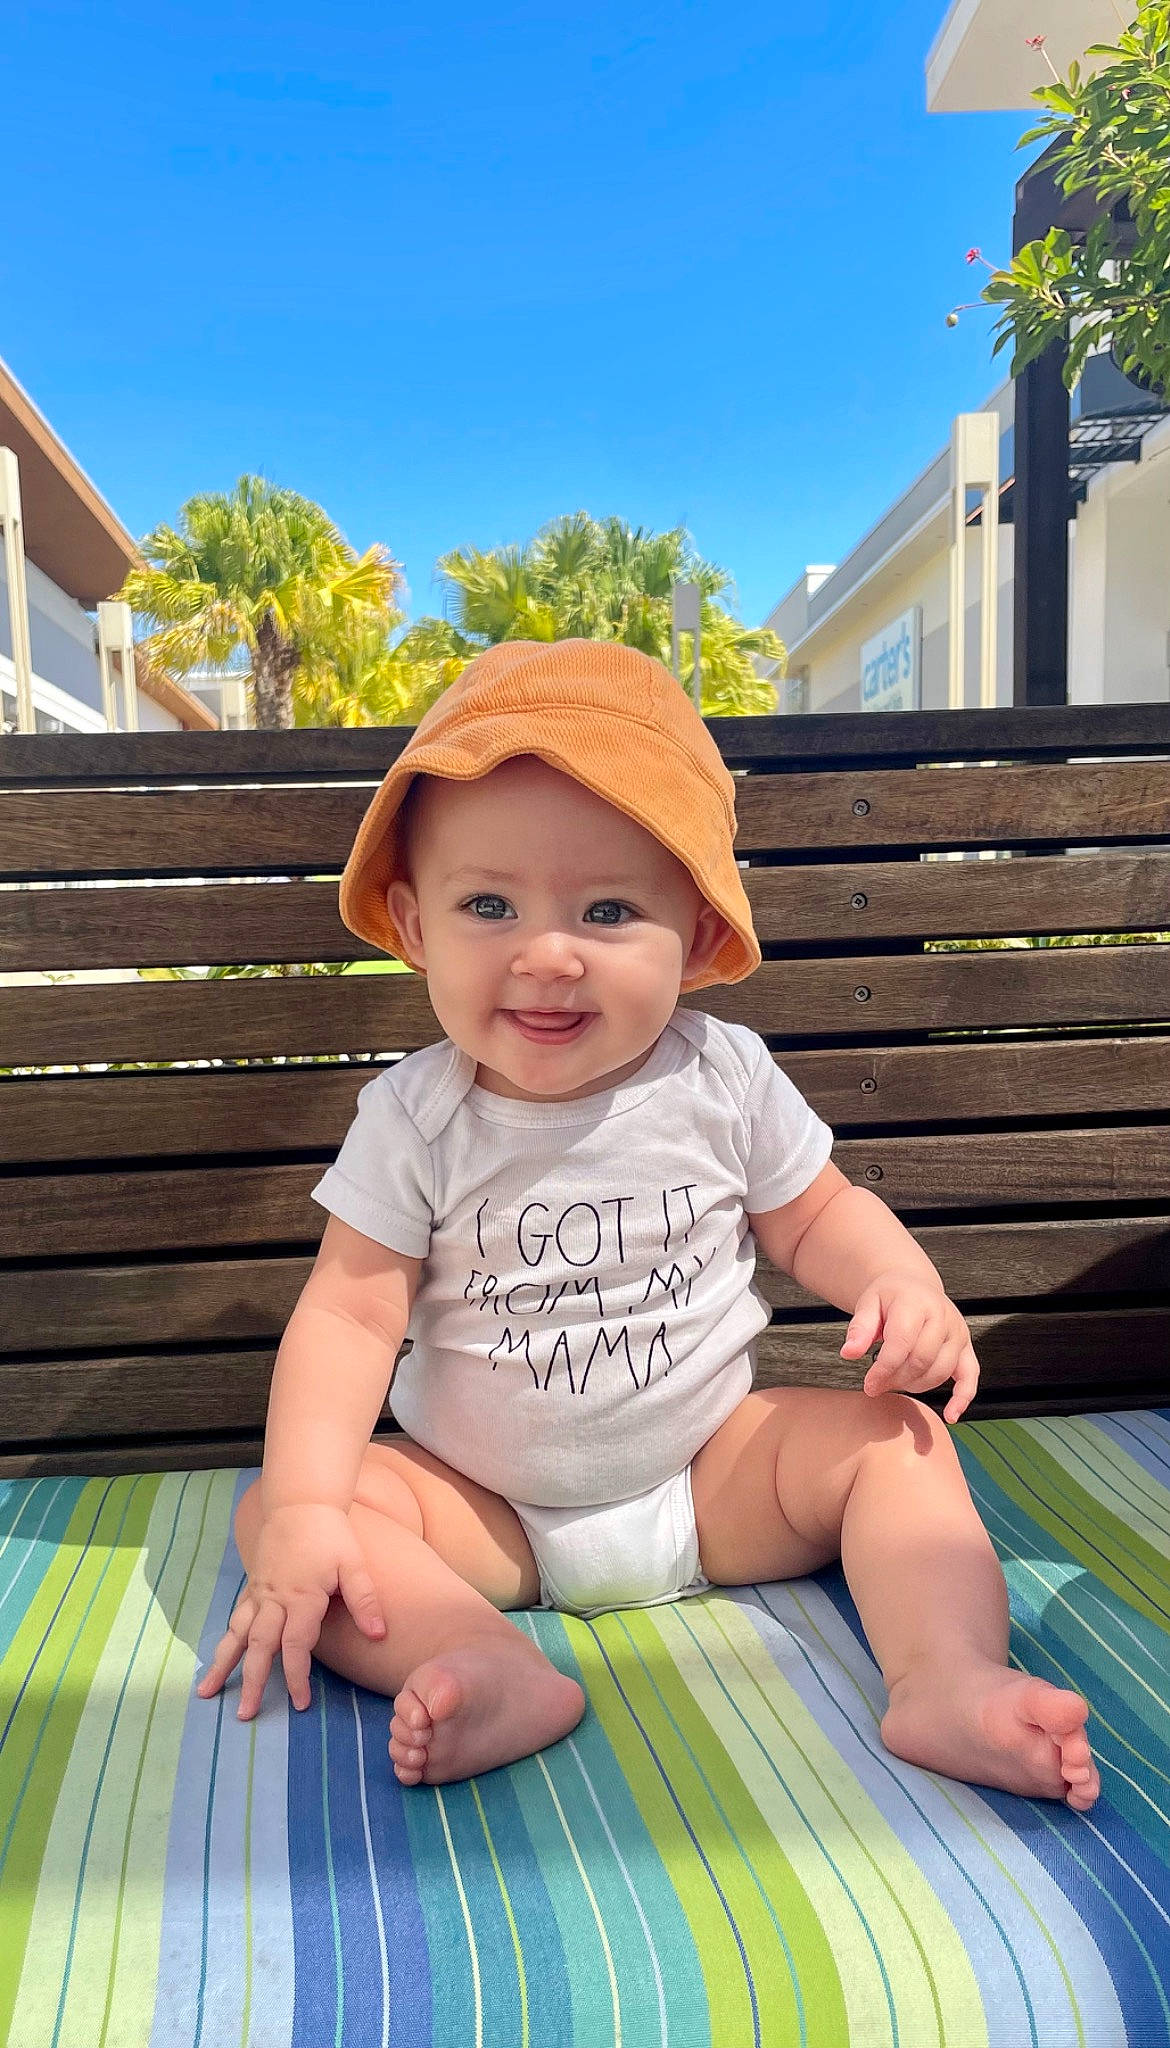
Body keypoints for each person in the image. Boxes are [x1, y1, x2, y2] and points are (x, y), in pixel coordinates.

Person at [196, 638, 1099, 1810]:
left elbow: (820, 1208)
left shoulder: (721, 1077)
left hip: (717, 1477)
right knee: (288, 1509)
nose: (548, 952)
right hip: (487, 1511)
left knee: (905, 1447)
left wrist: (902, 1284)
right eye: (488, 904)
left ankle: (947, 1675)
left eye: (610, 907)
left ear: (703, 934)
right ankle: (476, 1658)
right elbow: (348, 1313)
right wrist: (314, 1506)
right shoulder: (416, 1116)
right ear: (416, 927)